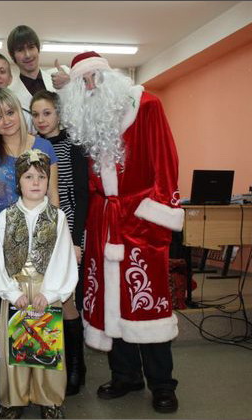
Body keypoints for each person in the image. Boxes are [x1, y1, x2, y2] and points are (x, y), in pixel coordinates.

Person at [59, 51, 184, 413]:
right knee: (110, 300)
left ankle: (162, 383)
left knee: (147, 300)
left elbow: (166, 161)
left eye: (94, 76)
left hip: (141, 218)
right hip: (103, 219)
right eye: (83, 81)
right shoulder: (84, 119)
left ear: (109, 75)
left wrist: (156, 214)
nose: (90, 85)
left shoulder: (147, 105)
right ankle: (126, 375)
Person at [0, 149, 78, 419]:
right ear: (19, 181)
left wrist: (50, 293)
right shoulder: (6, 217)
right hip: (16, 293)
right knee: (15, 349)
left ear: (48, 180)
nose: (36, 182)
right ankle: (13, 400)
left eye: (41, 177)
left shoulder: (57, 217)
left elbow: (63, 258)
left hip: (45, 292)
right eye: (28, 176)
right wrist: (10, 292)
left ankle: (49, 399)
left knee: (45, 347)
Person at [0, 87, 59, 318]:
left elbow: (53, 196)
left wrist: (55, 239)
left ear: (19, 111)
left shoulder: (44, 147)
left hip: (36, 237)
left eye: (10, 113)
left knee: (35, 313)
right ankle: (1, 344)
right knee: (0, 310)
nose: (6, 121)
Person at [30, 90, 89, 396]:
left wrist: (76, 241)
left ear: (58, 114)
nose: (41, 120)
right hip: (37, 235)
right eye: (36, 114)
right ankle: (50, 365)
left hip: (67, 235)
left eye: (47, 113)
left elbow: (81, 196)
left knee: (67, 301)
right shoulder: (30, 145)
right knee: (42, 299)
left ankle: (77, 366)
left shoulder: (72, 147)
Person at [6, 25, 70, 113]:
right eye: (20, 50)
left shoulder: (62, 75)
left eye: (31, 47)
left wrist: (70, 84)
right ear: (12, 55)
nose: (27, 55)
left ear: (38, 49)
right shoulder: (10, 94)